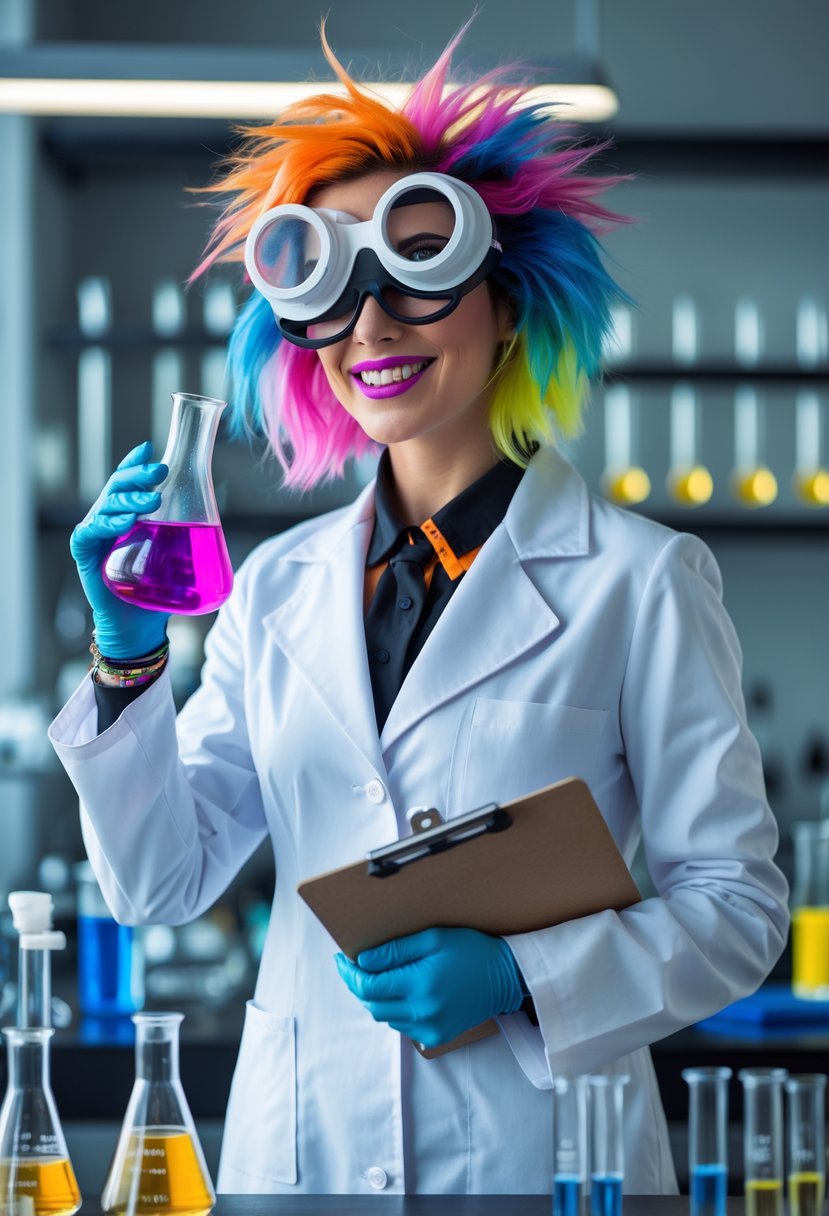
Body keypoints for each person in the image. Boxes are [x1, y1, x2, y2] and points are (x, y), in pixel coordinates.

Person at [50, 19, 789, 1197]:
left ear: (507, 303)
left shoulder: (641, 579)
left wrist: (526, 976)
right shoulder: (276, 590)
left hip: (544, 1163)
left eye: (416, 274)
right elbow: (159, 883)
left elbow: (739, 907)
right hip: (304, 1161)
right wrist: (128, 658)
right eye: (334, 292)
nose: (372, 328)